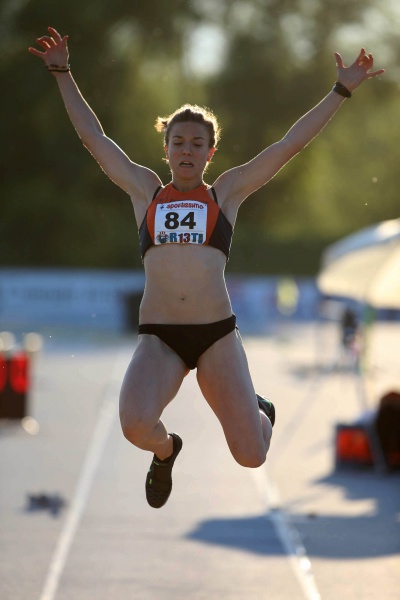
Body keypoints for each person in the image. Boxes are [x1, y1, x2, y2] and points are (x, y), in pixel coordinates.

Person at [29, 27, 384, 509]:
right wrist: (62, 72)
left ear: (210, 152)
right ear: (166, 148)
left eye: (197, 143)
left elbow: (288, 145)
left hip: (216, 336)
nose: (187, 150)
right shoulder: (145, 192)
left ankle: (260, 411)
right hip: (160, 338)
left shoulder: (225, 194)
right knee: (134, 425)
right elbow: (95, 138)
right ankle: (166, 451)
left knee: (252, 456)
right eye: (178, 142)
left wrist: (340, 90)